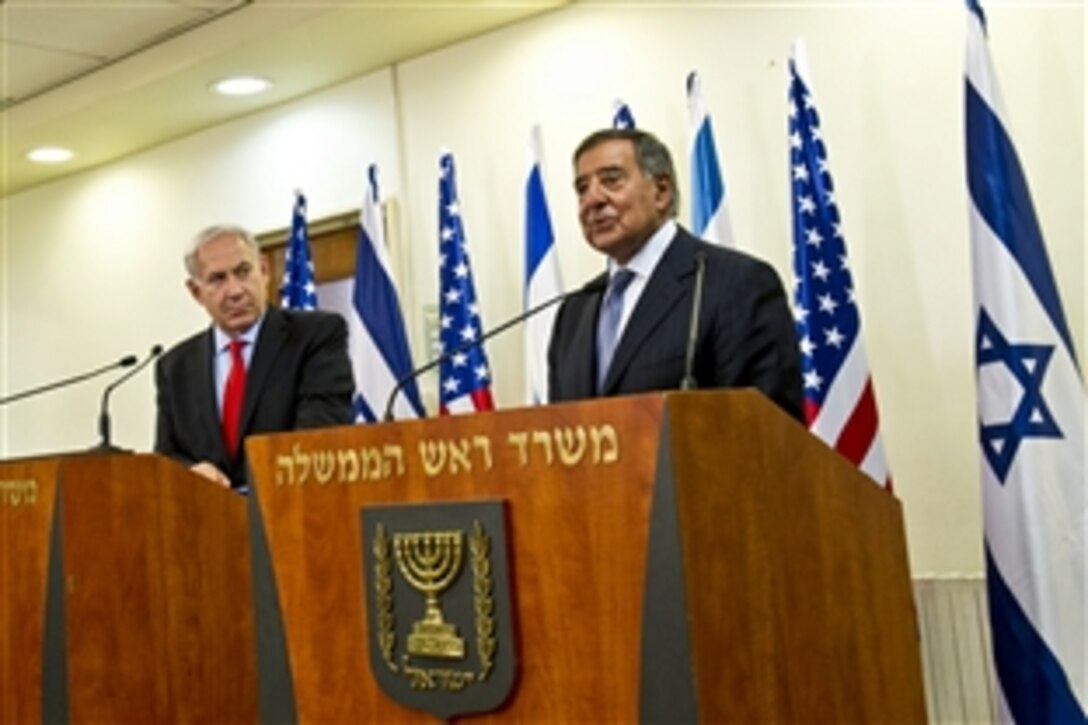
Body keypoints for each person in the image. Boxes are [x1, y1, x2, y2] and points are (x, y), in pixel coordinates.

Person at [548, 128, 803, 420]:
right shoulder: (574, 313)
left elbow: (767, 431)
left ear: (661, 191)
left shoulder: (735, 284)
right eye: (582, 188)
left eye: (611, 180)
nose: (592, 200)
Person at [155, 224, 354, 489]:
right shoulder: (174, 367)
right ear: (196, 292)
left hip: (294, 512)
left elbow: (319, 436)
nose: (235, 290)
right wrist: (191, 471)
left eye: (243, 272)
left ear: (264, 270)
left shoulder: (316, 335)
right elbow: (166, 456)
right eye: (217, 279)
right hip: (209, 521)